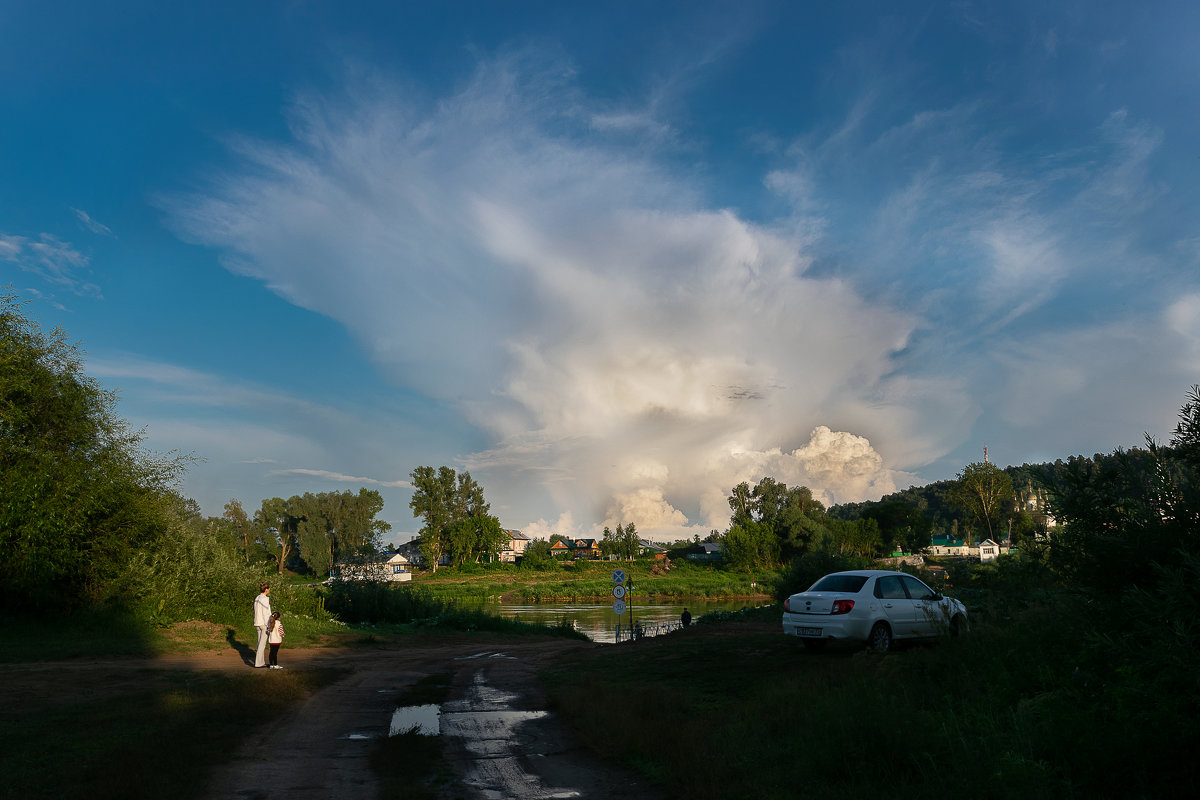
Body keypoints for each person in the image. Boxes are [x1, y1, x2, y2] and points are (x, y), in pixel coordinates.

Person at [253, 582, 272, 668]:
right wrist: (268, 624)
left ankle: (261, 662)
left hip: (257, 622)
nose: (269, 590)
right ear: (266, 589)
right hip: (263, 623)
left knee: (259, 643)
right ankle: (258, 663)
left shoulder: (257, 597)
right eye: (269, 588)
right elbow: (265, 613)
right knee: (262, 644)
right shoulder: (265, 599)